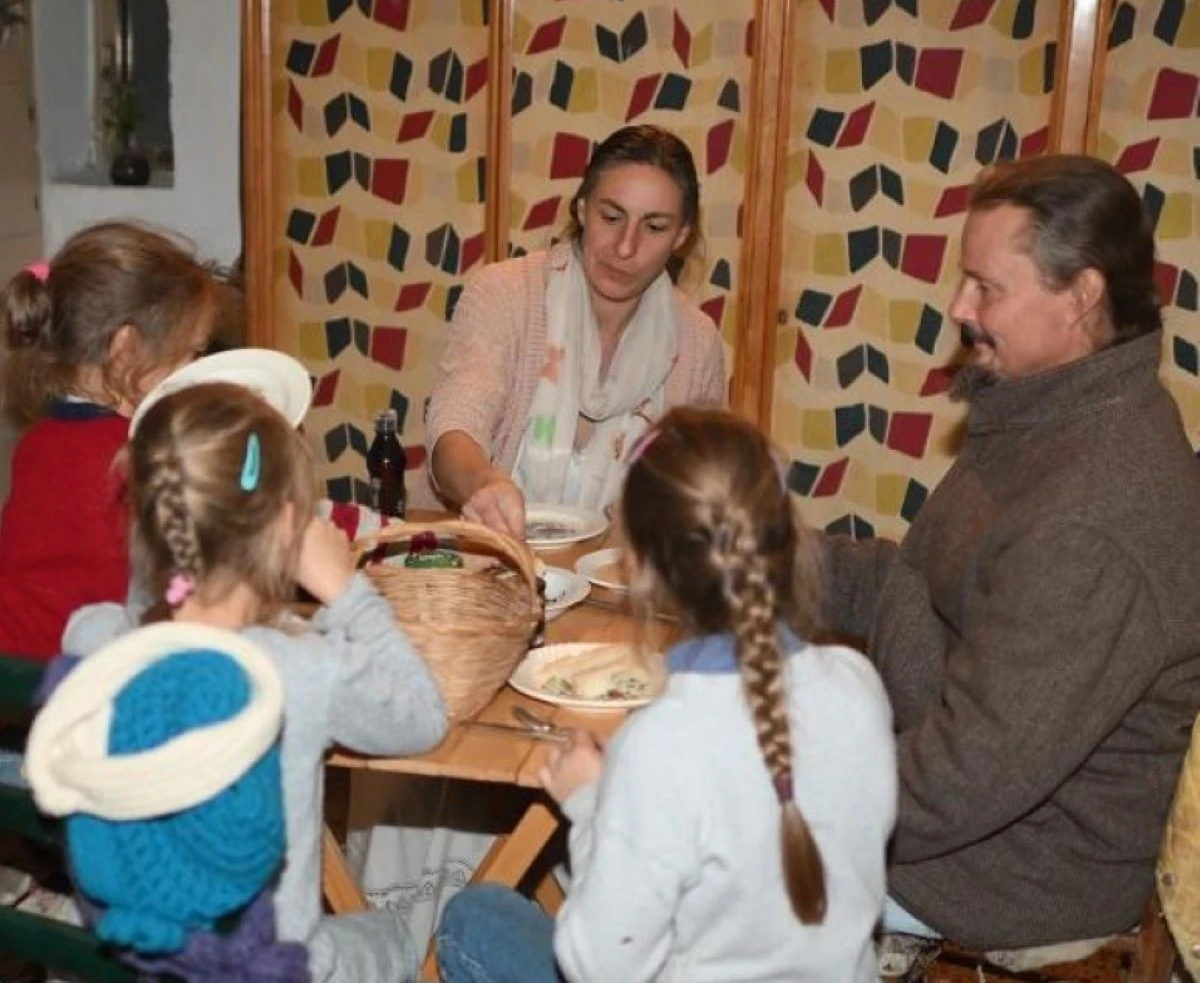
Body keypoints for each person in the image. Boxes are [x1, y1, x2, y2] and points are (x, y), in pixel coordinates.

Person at [821, 154, 1200, 951]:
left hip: (1002, 870)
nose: (959, 307)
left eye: (987, 287)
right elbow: (923, 586)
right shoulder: (1045, 412)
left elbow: (962, 782)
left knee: (667, 834)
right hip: (945, 796)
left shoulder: (1096, 516)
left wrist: (783, 792)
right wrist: (758, 559)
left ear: (1082, 296)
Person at [436, 407, 897, 983]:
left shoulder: (659, 743)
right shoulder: (859, 684)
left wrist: (589, 812)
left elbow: (599, 965)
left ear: (640, 567)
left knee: (475, 917)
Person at [62, 381, 449, 982]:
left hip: (147, 956)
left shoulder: (95, 642)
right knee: (394, 935)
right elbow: (424, 717)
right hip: (271, 967)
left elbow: (118, 616)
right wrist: (347, 591)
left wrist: (158, 571)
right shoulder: (304, 668)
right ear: (285, 530)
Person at [424, 124, 726, 537]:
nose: (625, 246)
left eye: (654, 227)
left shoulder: (696, 342)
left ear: (681, 236)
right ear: (583, 209)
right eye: (611, 217)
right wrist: (483, 483)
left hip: (620, 589)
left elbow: (700, 491)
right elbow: (454, 427)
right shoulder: (507, 294)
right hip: (496, 570)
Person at [25, 624, 309, 982]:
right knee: (388, 935)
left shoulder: (94, 645)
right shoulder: (287, 669)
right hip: (241, 934)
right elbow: (400, 714)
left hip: (102, 914)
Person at [0, 221, 221, 662]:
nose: (197, 366)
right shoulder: (138, 452)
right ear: (126, 347)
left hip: (13, 660)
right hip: (71, 675)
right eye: (192, 351)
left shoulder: (40, 439)